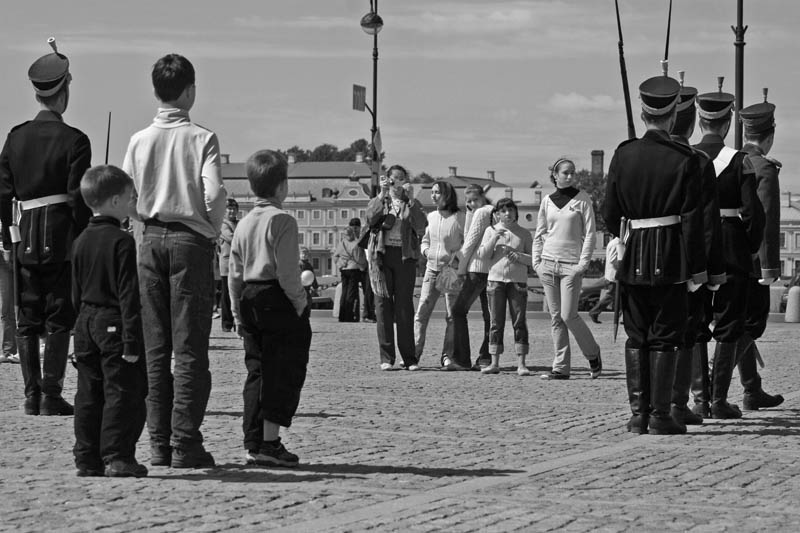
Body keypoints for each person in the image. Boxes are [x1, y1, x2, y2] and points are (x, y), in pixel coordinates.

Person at [123, 54, 226, 468]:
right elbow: (215, 193)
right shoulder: (202, 138)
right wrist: (209, 225)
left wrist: (144, 218)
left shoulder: (138, 139)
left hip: (149, 239)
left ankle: (158, 442)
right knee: (189, 349)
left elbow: (127, 195)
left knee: (155, 347)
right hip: (189, 241)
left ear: (155, 91)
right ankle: (186, 442)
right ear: (190, 91)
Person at [604, 75, 708, 435]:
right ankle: (661, 415)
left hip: (634, 254)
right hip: (670, 253)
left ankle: (638, 414)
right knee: (666, 335)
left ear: (645, 111)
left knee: (637, 336)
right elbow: (693, 221)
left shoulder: (623, 153)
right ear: (672, 114)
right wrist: (697, 270)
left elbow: (609, 212)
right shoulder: (686, 159)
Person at [0, 39, 92, 415]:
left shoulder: (15, 137)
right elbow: (77, 197)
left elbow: (3, 194)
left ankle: (31, 395)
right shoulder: (75, 140)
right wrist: (82, 237)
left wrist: (9, 237)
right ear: (65, 86)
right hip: (61, 233)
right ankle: (51, 394)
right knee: (58, 316)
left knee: (27, 317)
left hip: (24, 235)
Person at [229, 150, 311, 467]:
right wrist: (300, 303)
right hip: (276, 297)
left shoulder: (244, 223)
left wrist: (237, 314)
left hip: (249, 296)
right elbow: (288, 273)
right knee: (282, 370)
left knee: (256, 370)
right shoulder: (282, 221)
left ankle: (253, 439)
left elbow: (233, 275)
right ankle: (270, 441)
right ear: (281, 187)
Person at [694, 78, 764, 420]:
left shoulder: (687, 158)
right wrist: (748, 246)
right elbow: (753, 213)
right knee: (728, 325)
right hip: (732, 246)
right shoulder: (739, 161)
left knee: (694, 324)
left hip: (694, 247)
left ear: (701, 120)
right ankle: (718, 400)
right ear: (727, 122)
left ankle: (697, 398)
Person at [71, 165, 148, 478]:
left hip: (85, 321)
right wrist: (132, 339)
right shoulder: (121, 242)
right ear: (115, 201)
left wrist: (78, 329)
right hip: (113, 321)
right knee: (122, 391)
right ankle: (117, 456)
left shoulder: (80, 241)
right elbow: (128, 294)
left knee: (88, 392)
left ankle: (86, 457)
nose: (132, 204)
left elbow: (74, 291)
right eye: (130, 198)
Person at [667, 73, 726, 426]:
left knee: (648, 334)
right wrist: (709, 268)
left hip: (644, 257)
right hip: (686, 260)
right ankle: (679, 402)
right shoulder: (696, 161)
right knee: (689, 330)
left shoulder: (632, 155)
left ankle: (648, 406)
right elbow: (705, 223)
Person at [533, 158, 602, 380]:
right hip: (548, 263)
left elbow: (591, 233)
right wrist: (536, 262)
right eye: (565, 173)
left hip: (571, 266)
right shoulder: (546, 201)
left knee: (569, 315)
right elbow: (540, 232)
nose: (570, 176)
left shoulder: (583, 200)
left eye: (573, 173)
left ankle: (593, 354)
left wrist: (582, 264)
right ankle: (561, 367)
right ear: (555, 175)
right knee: (556, 317)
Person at [736, 91, 784, 411]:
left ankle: (752, 389)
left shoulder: (730, 160)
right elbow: (766, 219)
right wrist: (769, 268)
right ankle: (714, 380)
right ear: (770, 135)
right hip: (753, 262)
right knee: (752, 325)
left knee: (737, 325)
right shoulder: (763, 168)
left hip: (725, 255)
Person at [365, 164, 427, 371]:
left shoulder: (410, 202)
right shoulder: (381, 200)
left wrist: (412, 199)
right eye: (394, 179)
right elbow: (370, 218)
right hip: (382, 255)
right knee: (382, 305)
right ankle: (386, 357)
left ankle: (409, 358)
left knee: (404, 307)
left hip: (405, 256)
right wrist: (381, 194)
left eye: (401, 179)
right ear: (387, 180)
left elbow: (421, 226)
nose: (397, 183)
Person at [476, 198, 533, 376]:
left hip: (517, 282)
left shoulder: (524, 233)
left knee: (519, 321)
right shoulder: (489, 231)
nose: (507, 213)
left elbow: (533, 259)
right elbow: (482, 255)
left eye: (511, 210)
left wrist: (520, 257)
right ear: (497, 214)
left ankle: (521, 363)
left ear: (516, 213)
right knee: (495, 322)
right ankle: (494, 362)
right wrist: (494, 237)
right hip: (495, 282)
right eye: (503, 210)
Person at [415, 180, 463, 369]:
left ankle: (447, 356)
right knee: (421, 313)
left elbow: (466, 244)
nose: (433, 195)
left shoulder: (460, 218)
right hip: (431, 269)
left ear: (447, 195)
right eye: (432, 192)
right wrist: (426, 252)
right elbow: (425, 240)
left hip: (450, 270)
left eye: (437, 192)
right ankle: (414, 354)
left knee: (451, 315)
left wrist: (455, 257)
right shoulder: (432, 216)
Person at [451, 184, 493, 369]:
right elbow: (471, 233)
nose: (472, 204)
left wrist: (460, 269)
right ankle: (486, 356)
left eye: (475, 200)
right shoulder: (489, 211)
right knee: (489, 316)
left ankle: (462, 358)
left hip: (476, 269)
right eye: (468, 201)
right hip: (490, 270)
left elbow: (469, 243)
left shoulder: (483, 212)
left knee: (458, 311)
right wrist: (469, 211)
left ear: (483, 197)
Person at [333, 223, 367, 322]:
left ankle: (342, 316)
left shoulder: (341, 243)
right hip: (353, 269)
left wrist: (340, 264)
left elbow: (335, 256)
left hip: (343, 270)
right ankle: (349, 316)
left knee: (344, 293)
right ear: (352, 233)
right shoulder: (356, 243)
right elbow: (359, 258)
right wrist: (364, 266)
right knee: (351, 293)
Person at [349, 218, 376, 322]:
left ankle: (366, 314)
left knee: (368, 291)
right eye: (353, 227)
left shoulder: (361, 235)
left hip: (362, 266)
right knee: (367, 291)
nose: (355, 229)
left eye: (356, 227)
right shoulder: (357, 237)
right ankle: (366, 315)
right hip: (361, 266)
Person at [218, 198, 239, 332]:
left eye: (233, 208)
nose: (231, 211)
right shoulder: (223, 224)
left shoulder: (239, 223)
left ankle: (237, 321)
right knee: (226, 295)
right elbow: (233, 239)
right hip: (227, 265)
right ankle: (227, 323)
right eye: (229, 208)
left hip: (238, 264)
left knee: (237, 294)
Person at [588, 237, 619, 324]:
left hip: (613, 275)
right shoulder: (617, 243)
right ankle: (594, 312)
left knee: (618, 296)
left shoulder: (613, 243)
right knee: (611, 296)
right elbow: (614, 260)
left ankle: (623, 317)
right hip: (614, 276)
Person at [0, 227, 18, 364]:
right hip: (4, 253)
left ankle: (36, 348)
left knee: (21, 304)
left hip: (16, 251)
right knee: (6, 305)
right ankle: (8, 350)